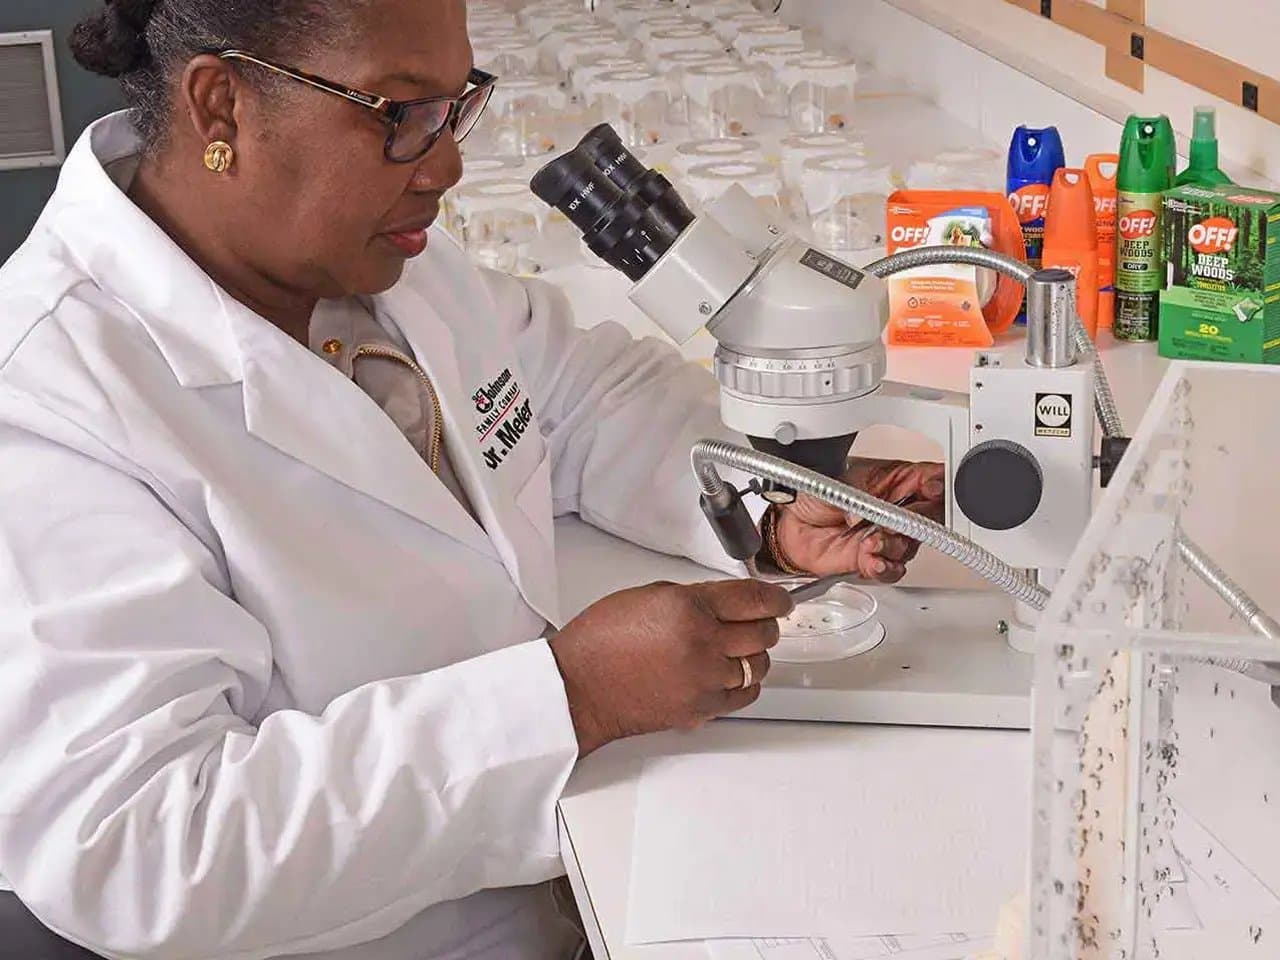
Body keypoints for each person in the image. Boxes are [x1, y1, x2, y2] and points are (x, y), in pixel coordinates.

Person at [0, 1, 945, 958]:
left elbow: (579, 397)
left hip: (567, 880)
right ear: (221, 103)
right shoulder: (50, 403)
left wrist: (768, 498)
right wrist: (571, 700)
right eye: (400, 113)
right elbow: (142, 851)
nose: (447, 164)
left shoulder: (373, 261)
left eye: (459, 105)